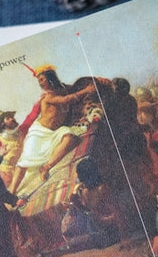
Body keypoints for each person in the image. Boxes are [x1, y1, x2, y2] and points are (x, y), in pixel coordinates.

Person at [9, 65, 99, 195]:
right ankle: (12, 191)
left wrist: (97, 81)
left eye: (42, 79)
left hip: (56, 132)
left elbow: (71, 91)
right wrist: (86, 91)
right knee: (24, 162)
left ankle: (46, 167)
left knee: (70, 138)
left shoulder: (63, 90)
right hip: (39, 133)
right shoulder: (47, 97)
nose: (40, 83)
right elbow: (65, 100)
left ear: (50, 78)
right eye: (39, 80)